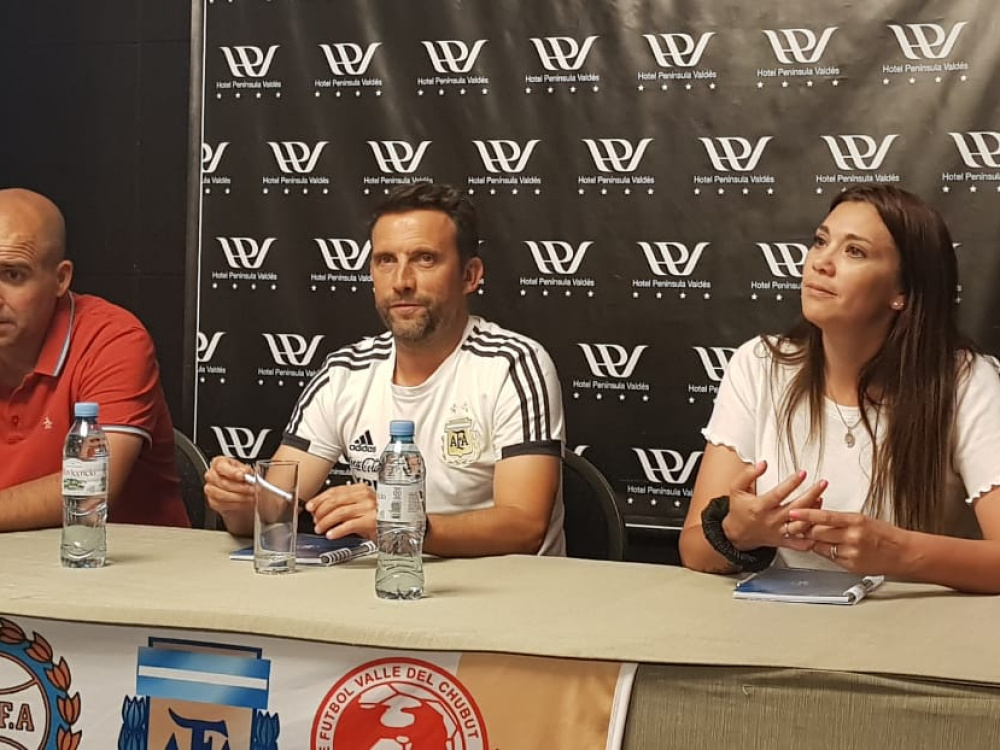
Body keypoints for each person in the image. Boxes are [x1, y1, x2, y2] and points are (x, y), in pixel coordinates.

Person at [205, 182, 566, 555]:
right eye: (386, 261)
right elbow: (271, 509)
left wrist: (403, 524)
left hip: (498, 587)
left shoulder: (512, 365)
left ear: (469, 275)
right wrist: (239, 501)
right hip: (384, 584)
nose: (402, 282)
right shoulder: (345, 372)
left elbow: (525, 526)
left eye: (425, 259)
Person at [680, 184, 1000, 594]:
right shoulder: (759, 364)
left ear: (902, 292)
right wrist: (738, 534)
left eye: (855, 251)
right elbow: (693, 550)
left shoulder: (966, 382)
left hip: (914, 626)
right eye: (820, 241)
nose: (821, 262)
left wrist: (897, 552)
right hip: (779, 621)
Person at [0, 188, 188, 530]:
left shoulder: (113, 340)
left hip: (116, 557)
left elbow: (89, 491)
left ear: (60, 279)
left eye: (13, 275)